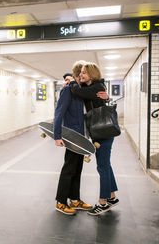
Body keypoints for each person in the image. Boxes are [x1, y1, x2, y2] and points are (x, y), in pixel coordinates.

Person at [69, 62, 119, 216]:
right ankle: (112, 196)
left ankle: (103, 202)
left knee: (102, 167)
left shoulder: (97, 87)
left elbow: (79, 92)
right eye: (80, 73)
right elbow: (81, 90)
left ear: (92, 74)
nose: (80, 75)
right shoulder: (92, 87)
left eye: (84, 73)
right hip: (101, 132)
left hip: (103, 132)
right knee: (106, 164)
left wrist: (71, 81)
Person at [53, 61, 93, 215]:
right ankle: (61, 201)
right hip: (71, 136)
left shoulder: (81, 90)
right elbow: (59, 113)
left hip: (81, 136)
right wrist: (57, 136)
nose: (85, 76)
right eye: (83, 73)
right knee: (69, 169)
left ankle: (75, 200)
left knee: (78, 169)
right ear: (78, 74)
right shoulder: (68, 90)